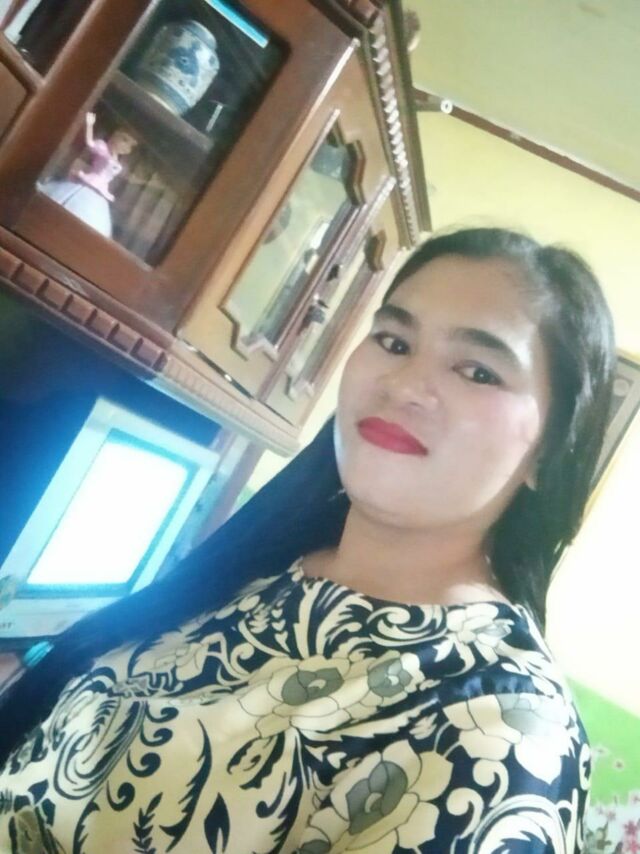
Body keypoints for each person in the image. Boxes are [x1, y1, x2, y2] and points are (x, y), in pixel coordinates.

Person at [0, 228, 615, 852]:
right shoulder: (265, 564)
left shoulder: (503, 732)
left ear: (549, 452)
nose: (402, 385)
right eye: (394, 341)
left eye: (478, 371)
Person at [39, 112, 138, 238]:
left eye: (129, 145)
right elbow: (90, 143)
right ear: (115, 135)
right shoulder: (102, 148)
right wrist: (89, 124)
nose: (126, 146)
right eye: (124, 140)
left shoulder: (117, 161)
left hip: (100, 192)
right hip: (89, 183)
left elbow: (129, 177)